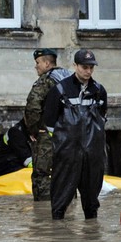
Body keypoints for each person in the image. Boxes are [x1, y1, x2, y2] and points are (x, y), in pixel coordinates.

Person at [43, 49, 108, 220]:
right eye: (84, 67)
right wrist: (62, 146)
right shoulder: (60, 89)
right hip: (68, 153)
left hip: (92, 154)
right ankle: (58, 234)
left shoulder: (99, 90)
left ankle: (92, 237)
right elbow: (49, 121)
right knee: (60, 197)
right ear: (75, 66)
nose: (88, 71)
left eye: (91, 68)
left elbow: (102, 117)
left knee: (91, 200)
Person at [24, 48, 71, 201]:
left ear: (46, 63)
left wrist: (34, 129)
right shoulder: (71, 78)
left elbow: (33, 105)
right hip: (70, 134)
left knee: (41, 174)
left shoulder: (46, 80)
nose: (36, 66)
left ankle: (43, 215)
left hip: (47, 134)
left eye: (37, 63)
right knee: (66, 173)